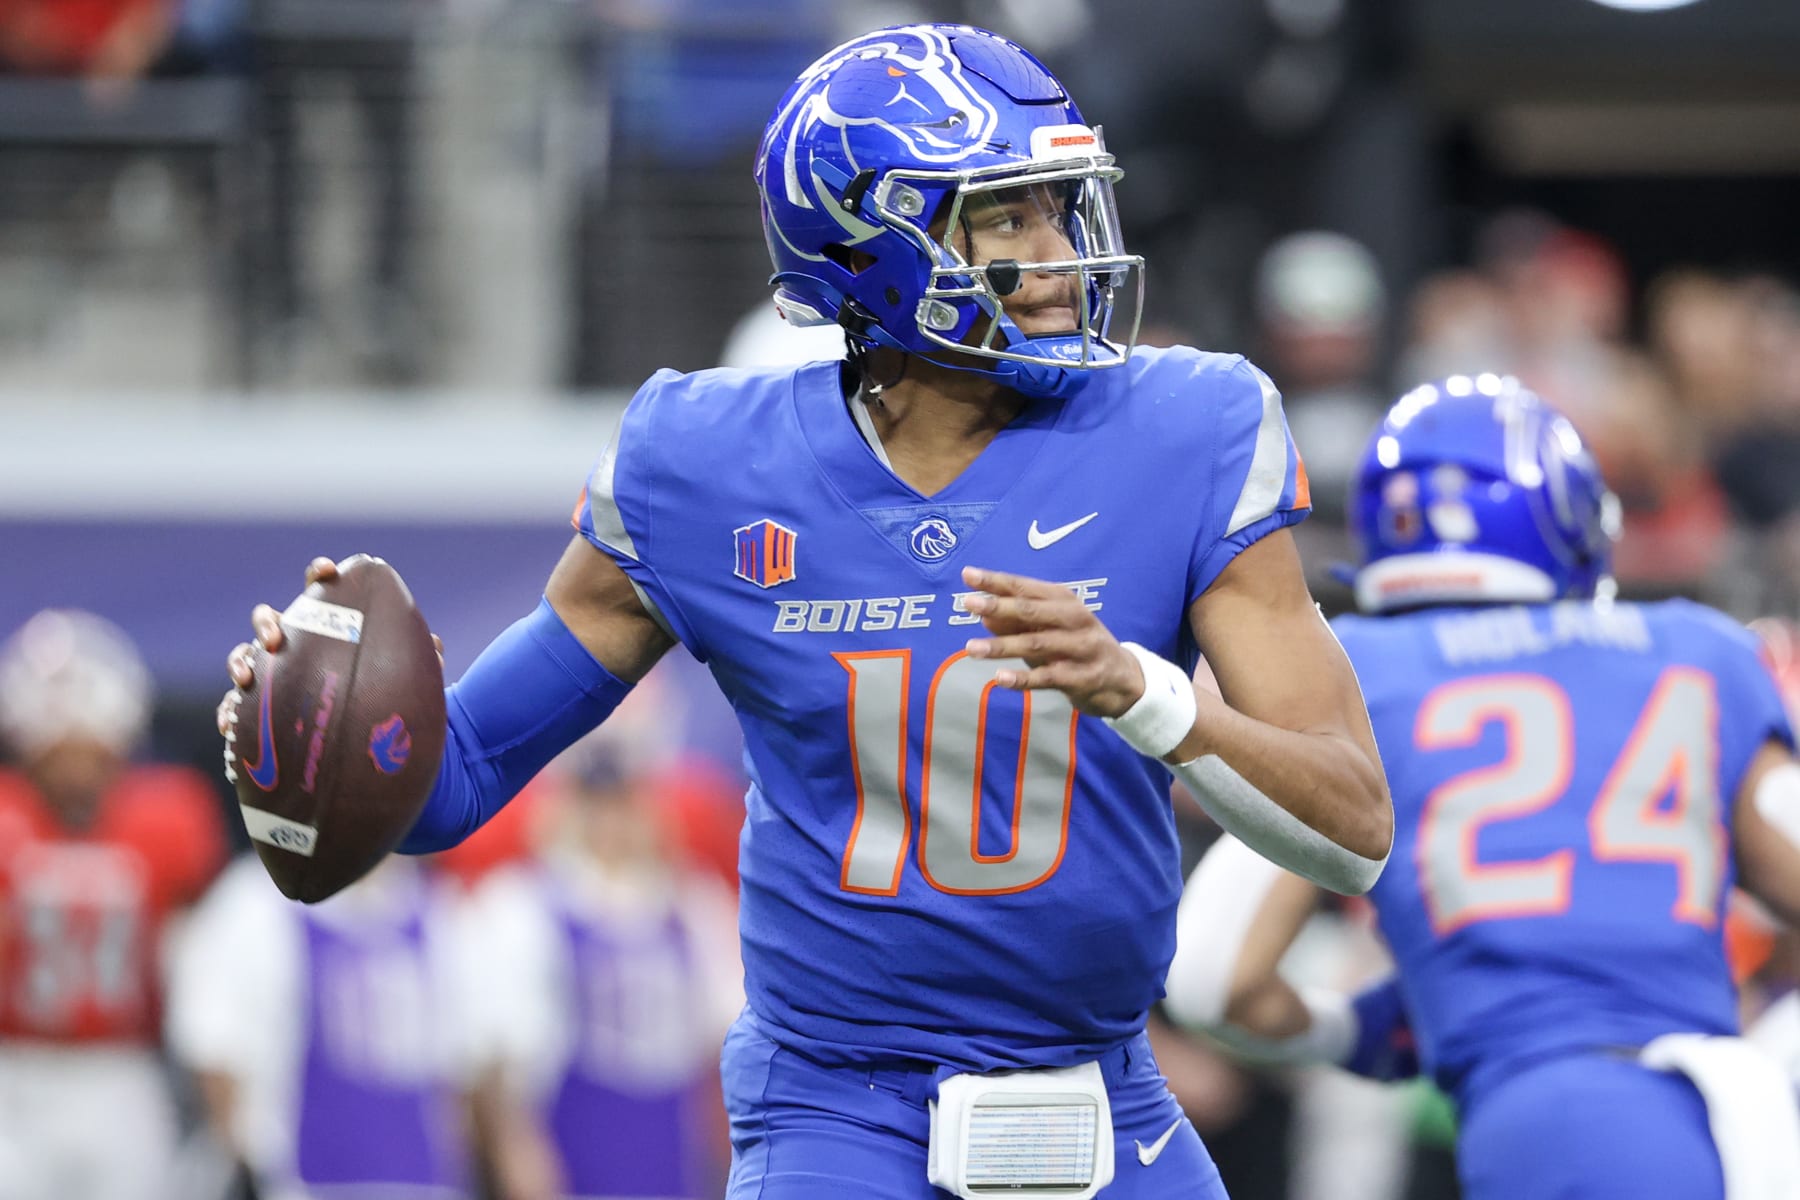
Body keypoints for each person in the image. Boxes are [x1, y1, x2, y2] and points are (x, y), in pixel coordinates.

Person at [222, 25, 1392, 1199]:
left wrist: (1149, 695)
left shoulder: (1187, 428)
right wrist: (315, 749)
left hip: (1098, 1087)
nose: (1058, 253)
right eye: (1008, 217)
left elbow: (1351, 827)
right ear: (875, 249)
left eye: (1060, 206)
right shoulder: (702, 465)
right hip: (839, 1108)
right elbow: (455, 784)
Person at [1163, 375, 1800, 1199]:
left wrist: (1357, 1031)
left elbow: (1215, 979)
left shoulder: (1368, 674)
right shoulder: (1699, 648)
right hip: (1715, 1119)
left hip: (1543, 1115)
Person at [461, 718, 743, 1200]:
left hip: (669, 1151)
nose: (610, 824)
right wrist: (518, 1153)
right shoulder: (523, 906)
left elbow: (724, 1048)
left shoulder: (692, 906)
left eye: (623, 802)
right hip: (572, 1142)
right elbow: (497, 1061)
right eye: (596, 805)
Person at [0, 609, 225, 1200]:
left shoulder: (166, 814)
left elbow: (200, 971)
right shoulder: (8, 818)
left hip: (125, 1073)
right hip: (13, 1070)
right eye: (57, 747)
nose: (75, 764)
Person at [165, 854, 476, 1200]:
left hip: (418, 1180)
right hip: (297, 1183)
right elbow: (215, 1046)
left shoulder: (436, 908)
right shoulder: (257, 900)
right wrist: (244, 1161)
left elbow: (461, 1074)